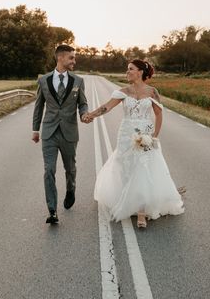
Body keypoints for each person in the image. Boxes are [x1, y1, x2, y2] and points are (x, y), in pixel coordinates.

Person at [87, 60, 184, 228]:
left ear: (140, 72)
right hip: (126, 134)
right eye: (127, 69)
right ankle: (128, 199)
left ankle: (141, 212)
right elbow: (106, 107)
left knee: (143, 168)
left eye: (130, 69)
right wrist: (91, 115)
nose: (127, 72)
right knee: (126, 167)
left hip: (145, 132)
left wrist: (154, 136)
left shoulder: (153, 92)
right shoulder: (123, 92)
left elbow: (159, 115)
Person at [32, 44, 92, 225]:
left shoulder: (78, 81)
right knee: (49, 170)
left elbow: (83, 103)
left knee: (70, 169)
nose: (74, 61)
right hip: (49, 132)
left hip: (69, 132)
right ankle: (52, 210)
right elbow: (38, 106)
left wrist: (83, 113)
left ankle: (70, 189)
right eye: (71, 58)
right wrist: (35, 129)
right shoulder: (43, 81)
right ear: (60, 58)